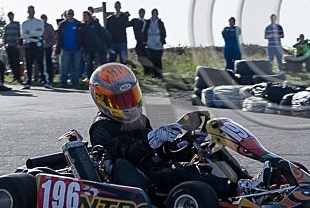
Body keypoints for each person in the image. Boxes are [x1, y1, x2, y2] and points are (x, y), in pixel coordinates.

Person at [87, 63, 231, 197]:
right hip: (136, 178)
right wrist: (153, 139)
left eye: (129, 98)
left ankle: (241, 180)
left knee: (211, 149)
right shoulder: (101, 127)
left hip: (154, 166)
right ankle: (231, 190)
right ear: (101, 99)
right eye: (119, 100)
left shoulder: (140, 120)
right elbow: (127, 155)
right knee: (185, 173)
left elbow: (158, 153)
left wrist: (184, 142)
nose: (127, 105)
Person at [21, 5, 49, 89]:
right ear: (27, 12)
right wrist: (34, 32)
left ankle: (45, 81)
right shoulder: (24, 23)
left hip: (38, 44)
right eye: (30, 11)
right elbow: (23, 35)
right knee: (28, 64)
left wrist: (29, 32)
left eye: (32, 11)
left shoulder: (40, 22)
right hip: (29, 44)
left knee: (41, 64)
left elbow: (40, 33)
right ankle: (28, 81)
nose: (31, 13)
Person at [56, 9, 83, 87]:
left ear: (73, 15)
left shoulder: (78, 24)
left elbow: (82, 36)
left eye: (71, 14)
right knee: (64, 67)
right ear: (66, 15)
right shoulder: (62, 24)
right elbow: (59, 37)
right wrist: (58, 48)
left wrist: (82, 45)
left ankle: (75, 82)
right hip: (65, 48)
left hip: (76, 48)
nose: (70, 15)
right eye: (68, 14)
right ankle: (63, 83)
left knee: (76, 67)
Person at [80, 10, 110, 79]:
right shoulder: (82, 26)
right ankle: (90, 78)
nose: (85, 17)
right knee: (88, 64)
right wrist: (81, 45)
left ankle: (100, 78)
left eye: (86, 15)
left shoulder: (95, 24)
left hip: (96, 48)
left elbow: (103, 33)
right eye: (83, 16)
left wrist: (108, 45)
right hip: (87, 49)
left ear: (89, 16)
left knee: (98, 64)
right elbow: (80, 37)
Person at [141, 8, 166, 78]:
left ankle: (159, 75)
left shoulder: (160, 23)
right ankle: (153, 75)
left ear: (157, 14)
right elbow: (144, 32)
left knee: (158, 60)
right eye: (153, 13)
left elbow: (163, 32)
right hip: (150, 45)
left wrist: (162, 41)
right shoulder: (148, 22)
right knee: (152, 60)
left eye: (155, 13)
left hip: (159, 45)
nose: (154, 15)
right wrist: (145, 41)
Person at [2, 11, 23, 83]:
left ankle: (18, 76)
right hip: (9, 46)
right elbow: (5, 36)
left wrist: (19, 44)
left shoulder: (17, 25)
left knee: (16, 61)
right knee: (11, 61)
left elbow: (20, 34)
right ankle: (14, 75)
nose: (10, 17)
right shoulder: (7, 26)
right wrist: (4, 44)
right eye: (9, 16)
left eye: (11, 16)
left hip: (16, 45)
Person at [130, 8, 150, 75]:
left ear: (144, 13)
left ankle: (147, 72)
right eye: (140, 12)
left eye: (143, 12)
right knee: (139, 58)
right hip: (138, 42)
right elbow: (126, 24)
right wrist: (126, 16)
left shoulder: (147, 22)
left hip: (146, 43)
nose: (141, 14)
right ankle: (147, 70)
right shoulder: (135, 21)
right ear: (139, 13)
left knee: (146, 58)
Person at [41, 14, 57, 85]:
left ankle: (50, 78)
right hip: (40, 47)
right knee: (41, 63)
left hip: (48, 47)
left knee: (48, 63)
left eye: (44, 18)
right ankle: (42, 78)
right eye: (42, 18)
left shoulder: (49, 26)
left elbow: (54, 37)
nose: (43, 20)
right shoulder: (39, 27)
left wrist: (50, 44)